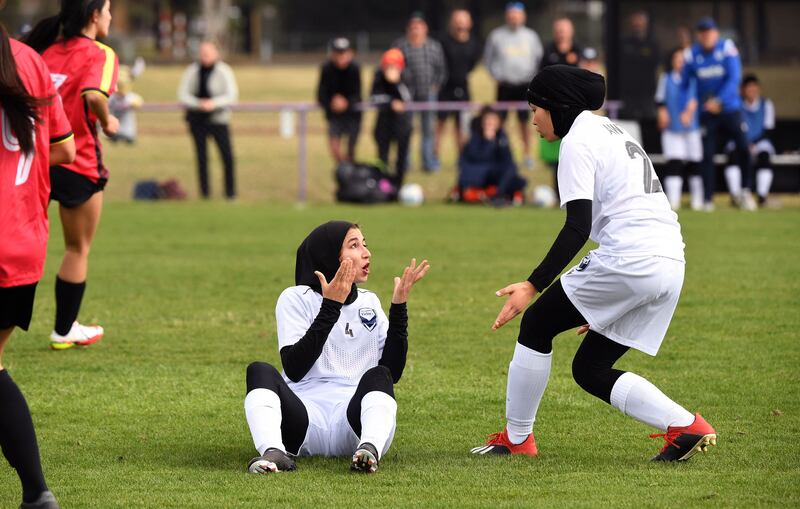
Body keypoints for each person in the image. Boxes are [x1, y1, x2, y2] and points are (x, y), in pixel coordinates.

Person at [471, 65, 717, 462]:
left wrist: (533, 284)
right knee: (591, 367)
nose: (532, 118)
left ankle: (517, 440)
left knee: (536, 323)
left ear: (557, 107)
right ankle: (686, 425)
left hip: (630, 258)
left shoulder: (577, 141)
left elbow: (576, 227)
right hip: (671, 260)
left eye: (535, 109)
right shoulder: (614, 130)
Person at [244, 221, 429, 474]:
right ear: (329, 256)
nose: (366, 252)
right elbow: (295, 369)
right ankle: (273, 451)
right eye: (354, 245)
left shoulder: (369, 302)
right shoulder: (295, 298)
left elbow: (391, 373)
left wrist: (399, 309)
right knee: (259, 370)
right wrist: (331, 306)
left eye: (365, 244)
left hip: (353, 424)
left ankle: (369, 451)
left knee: (379, 374)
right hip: (304, 422)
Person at [0, 21, 76, 508]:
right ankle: (35, 492)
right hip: (22, 241)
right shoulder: (30, 61)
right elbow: (65, 147)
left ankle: (35, 490)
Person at [24, 0, 119, 350]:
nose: (110, 16)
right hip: (77, 161)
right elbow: (94, 94)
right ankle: (64, 330)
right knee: (77, 248)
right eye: (108, 10)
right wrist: (108, 121)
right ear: (94, 15)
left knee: (17, 243)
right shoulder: (101, 54)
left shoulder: (45, 51)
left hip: (35, 163)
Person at [682, 17, 752, 211]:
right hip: (707, 113)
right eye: (702, 32)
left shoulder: (727, 48)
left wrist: (718, 100)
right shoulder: (691, 54)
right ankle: (707, 200)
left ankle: (745, 192)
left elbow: (734, 78)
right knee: (707, 155)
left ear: (716, 33)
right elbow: (685, 84)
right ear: (698, 35)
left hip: (730, 109)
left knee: (744, 147)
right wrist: (687, 106)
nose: (706, 36)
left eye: (709, 32)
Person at [484, 2, 543, 169]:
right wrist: (497, 76)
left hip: (525, 86)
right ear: (506, 16)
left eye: (517, 15)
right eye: (511, 15)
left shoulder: (531, 36)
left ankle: (527, 155)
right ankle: (497, 152)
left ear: (523, 17)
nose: (514, 18)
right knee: (498, 121)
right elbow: (488, 60)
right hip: (504, 86)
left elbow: (538, 59)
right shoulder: (496, 36)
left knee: (526, 122)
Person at [177, 40, 239, 200]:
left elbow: (231, 95)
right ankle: (205, 194)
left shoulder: (224, 71)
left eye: (208, 52)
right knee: (202, 158)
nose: (204, 56)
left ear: (216, 53)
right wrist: (198, 104)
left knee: (227, 157)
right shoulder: (192, 71)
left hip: (219, 120)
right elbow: (183, 94)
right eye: (202, 52)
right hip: (197, 120)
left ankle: (230, 194)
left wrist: (213, 104)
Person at [392, 12, 446, 172]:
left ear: (425, 29)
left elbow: (441, 69)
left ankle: (428, 162)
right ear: (408, 29)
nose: (416, 30)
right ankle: (404, 163)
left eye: (419, 27)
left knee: (428, 130)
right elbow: (393, 68)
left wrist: (436, 85)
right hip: (407, 95)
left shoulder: (434, 46)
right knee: (406, 129)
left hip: (428, 94)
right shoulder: (400, 46)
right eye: (413, 27)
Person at [655, 47, 703, 210]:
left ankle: (698, 201)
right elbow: (660, 101)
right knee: (674, 163)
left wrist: (689, 112)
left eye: (683, 60)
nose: (680, 63)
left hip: (691, 129)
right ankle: (673, 202)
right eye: (677, 59)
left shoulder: (693, 79)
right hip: (672, 129)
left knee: (694, 163)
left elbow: (695, 100)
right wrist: (662, 114)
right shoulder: (666, 78)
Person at [724, 74, 776, 207]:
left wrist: (754, 144)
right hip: (739, 141)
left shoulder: (766, 105)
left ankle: (762, 196)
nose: (751, 91)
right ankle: (736, 196)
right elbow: (731, 127)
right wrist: (745, 143)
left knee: (764, 157)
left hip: (760, 142)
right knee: (733, 156)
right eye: (748, 88)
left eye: (754, 88)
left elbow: (768, 130)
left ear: (759, 89)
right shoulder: (736, 105)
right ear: (743, 90)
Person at [457, 106, 526, 205]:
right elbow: (477, 158)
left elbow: (508, 159)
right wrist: (489, 142)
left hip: (495, 171)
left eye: (493, 121)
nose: (491, 124)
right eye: (488, 121)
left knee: (512, 170)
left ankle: (500, 195)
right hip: (479, 172)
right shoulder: (475, 137)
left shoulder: (502, 137)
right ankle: (498, 195)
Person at [436, 9, 482, 154]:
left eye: (463, 20)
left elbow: (472, 64)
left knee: (462, 125)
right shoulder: (443, 42)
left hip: (463, 87)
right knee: (440, 124)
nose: (460, 24)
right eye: (458, 20)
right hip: (445, 88)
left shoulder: (474, 44)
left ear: (469, 23)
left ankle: (462, 155)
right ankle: (433, 157)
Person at [618, 11, 660, 152]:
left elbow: (657, 70)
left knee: (649, 133)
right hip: (629, 97)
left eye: (640, 23)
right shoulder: (624, 44)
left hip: (648, 97)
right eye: (634, 23)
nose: (637, 26)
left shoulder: (653, 45)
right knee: (629, 134)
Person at [316, 37, 362, 165]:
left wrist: (345, 103)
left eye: (343, 52)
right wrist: (332, 103)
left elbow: (357, 94)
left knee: (351, 149)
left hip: (352, 115)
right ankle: (343, 169)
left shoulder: (355, 69)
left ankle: (349, 172)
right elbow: (321, 94)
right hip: (334, 114)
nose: (340, 56)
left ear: (350, 53)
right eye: (337, 52)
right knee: (334, 148)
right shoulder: (326, 68)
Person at [370, 49, 413, 186]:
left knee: (401, 158)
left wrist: (396, 82)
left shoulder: (406, 76)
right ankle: (383, 185)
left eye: (394, 65)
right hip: (383, 123)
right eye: (387, 65)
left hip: (402, 124)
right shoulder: (378, 76)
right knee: (382, 157)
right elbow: (374, 98)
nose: (390, 69)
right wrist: (391, 103)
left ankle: (398, 185)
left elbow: (407, 98)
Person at [108, 65, 143, 144]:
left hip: (128, 130)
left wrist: (134, 104)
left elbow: (139, 101)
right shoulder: (112, 97)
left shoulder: (129, 97)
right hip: (115, 130)